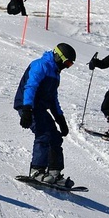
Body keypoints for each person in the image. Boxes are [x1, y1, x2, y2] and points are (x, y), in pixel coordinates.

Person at [14, 43, 77, 188]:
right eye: (67, 63)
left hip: (40, 109)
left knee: (55, 136)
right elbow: (30, 87)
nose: (67, 67)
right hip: (27, 106)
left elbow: (52, 97)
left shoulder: (55, 72)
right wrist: (27, 110)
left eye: (70, 64)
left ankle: (54, 172)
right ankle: (37, 170)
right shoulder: (40, 65)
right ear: (59, 57)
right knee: (43, 134)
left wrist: (60, 119)